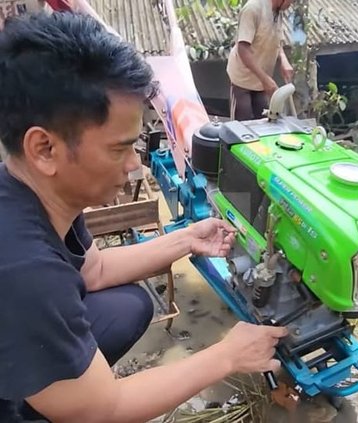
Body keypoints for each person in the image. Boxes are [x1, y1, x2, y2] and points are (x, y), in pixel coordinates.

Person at [0, 12, 288, 423]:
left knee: (130, 304)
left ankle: (59, 387)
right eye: (120, 149)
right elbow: (104, 410)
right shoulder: (23, 268)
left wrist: (186, 238)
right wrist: (227, 355)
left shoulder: (34, 192)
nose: (135, 163)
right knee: (82, 406)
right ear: (45, 149)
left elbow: (94, 271)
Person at [227, 0, 294, 121]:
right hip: (242, 79)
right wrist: (266, 80)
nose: (292, 3)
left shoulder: (278, 11)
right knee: (241, 125)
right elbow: (243, 49)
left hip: (261, 82)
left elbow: (277, 41)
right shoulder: (253, 9)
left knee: (263, 122)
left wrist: (284, 60)